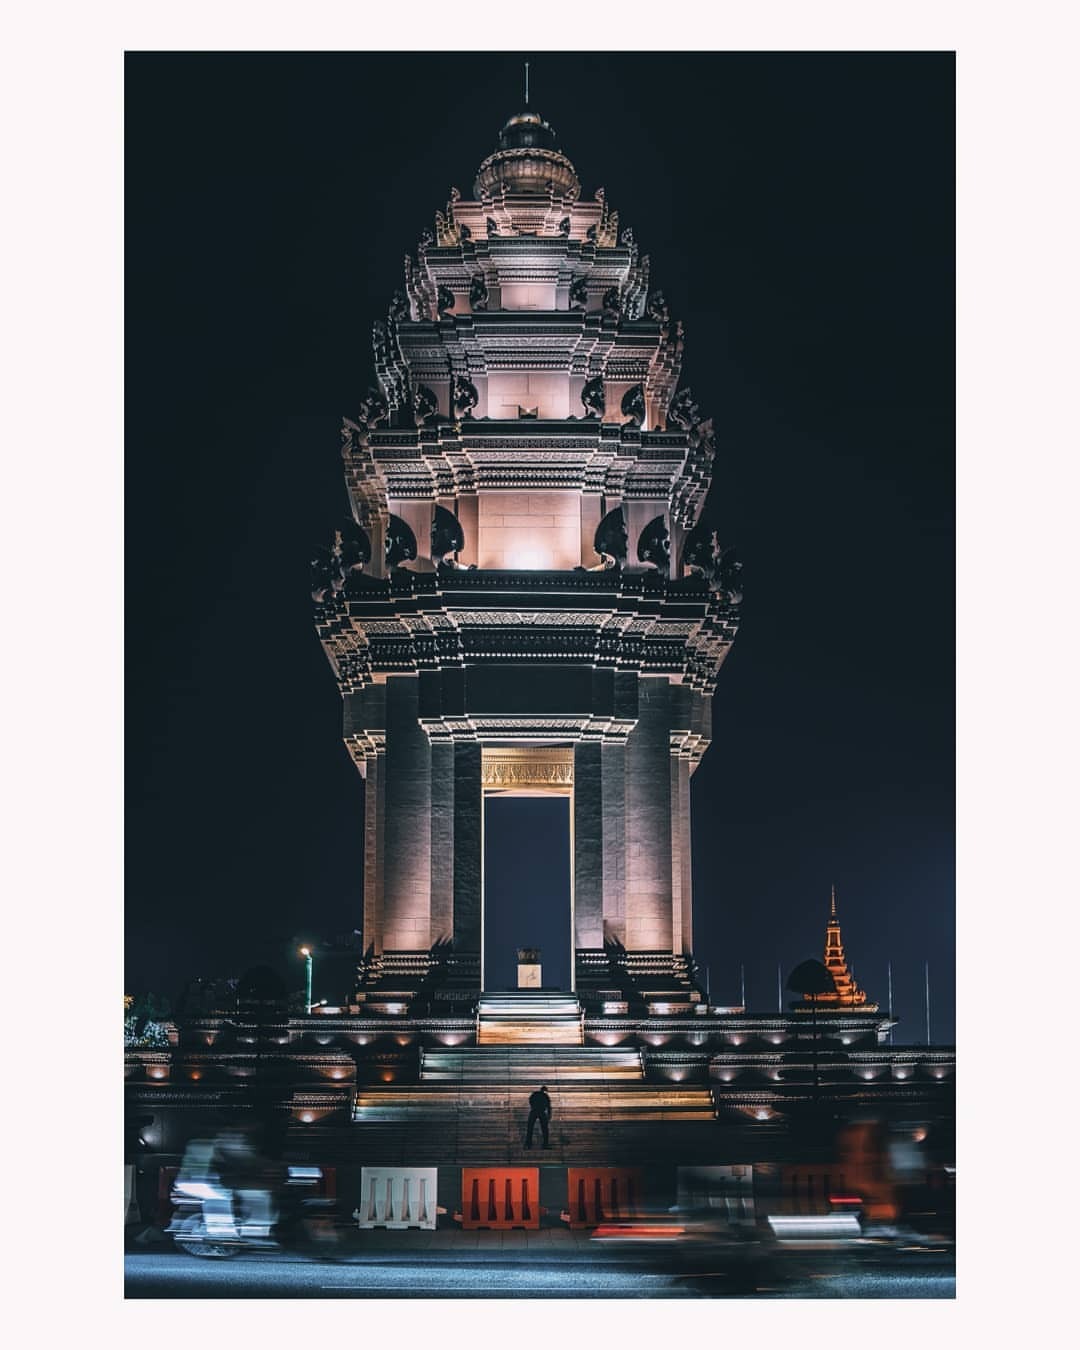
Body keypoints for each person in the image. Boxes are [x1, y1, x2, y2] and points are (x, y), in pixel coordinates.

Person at [525, 1085, 552, 1149]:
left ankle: (528, 1144)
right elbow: (548, 1106)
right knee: (545, 1129)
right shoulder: (545, 1096)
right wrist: (549, 1114)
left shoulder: (535, 1094)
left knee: (530, 1127)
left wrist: (533, 1106)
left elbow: (530, 1100)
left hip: (534, 1111)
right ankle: (545, 1144)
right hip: (541, 1111)